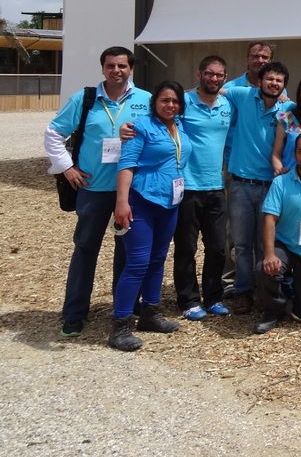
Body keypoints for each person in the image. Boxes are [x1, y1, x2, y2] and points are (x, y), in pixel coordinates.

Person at [45, 46, 151, 338]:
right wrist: (66, 168)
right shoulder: (85, 99)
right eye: (110, 66)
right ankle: (74, 314)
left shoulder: (145, 100)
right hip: (92, 189)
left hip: (131, 192)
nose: (116, 71)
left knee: (127, 252)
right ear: (103, 68)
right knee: (85, 250)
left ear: (131, 69)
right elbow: (53, 133)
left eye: (122, 66)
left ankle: (124, 309)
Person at [107, 81, 191, 351]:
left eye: (175, 101)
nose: (170, 105)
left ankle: (150, 313)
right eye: (165, 100)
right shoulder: (140, 127)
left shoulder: (180, 126)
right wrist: (121, 202)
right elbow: (127, 164)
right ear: (155, 102)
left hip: (170, 203)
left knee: (157, 260)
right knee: (137, 263)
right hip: (141, 202)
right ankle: (120, 325)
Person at [223, 61, 294, 313]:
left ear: (284, 84)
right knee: (241, 243)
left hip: (272, 186)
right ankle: (243, 290)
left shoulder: (287, 108)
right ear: (260, 81)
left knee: (267, 245)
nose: (274, 83)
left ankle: (266, 291)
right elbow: (210, 90)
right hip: (241, 184)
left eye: (279, 80)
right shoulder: (242, 95)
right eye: (270, 79)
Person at [253, 132, 301, 334]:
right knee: (266, 267)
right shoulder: (281, 182)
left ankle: (294, 291)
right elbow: (269, 219)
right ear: (295, 154)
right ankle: (273, 309)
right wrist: (270, 254)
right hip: (285, 245)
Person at [174, 56, 234, 321]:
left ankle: (213, 297)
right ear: (199, 74)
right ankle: (188, 300)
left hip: (216, 187)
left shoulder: (227, 105)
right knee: (186, 247)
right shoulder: (184, 102)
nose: (214, 79)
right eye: (209, 74)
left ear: (224, 78)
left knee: (218, 247)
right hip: (188, 186)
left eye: (219, 75)